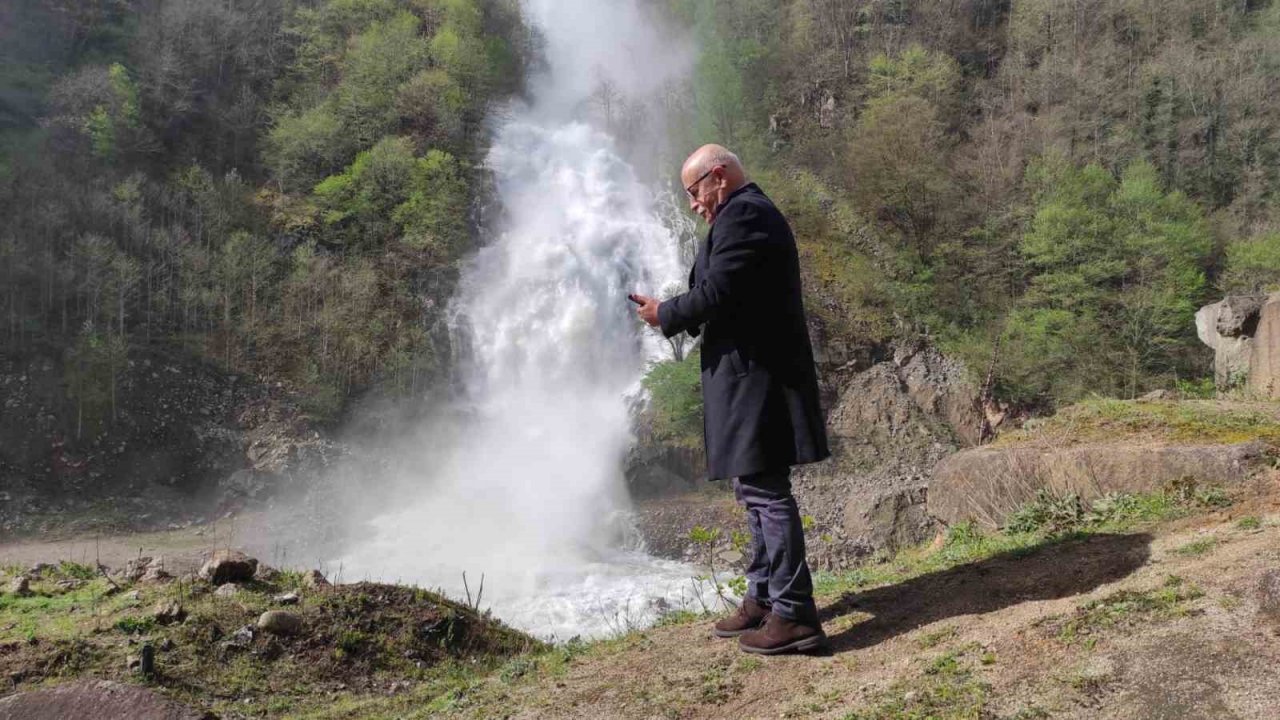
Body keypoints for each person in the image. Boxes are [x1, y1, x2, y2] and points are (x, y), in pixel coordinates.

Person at [630, 144, 831, 655]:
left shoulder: (745, 215)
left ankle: (794, 613)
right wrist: (673, 311)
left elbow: (719, 291)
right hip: (748, 379)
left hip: (757, 380)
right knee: (754, 491)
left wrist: (667, 314)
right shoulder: (745, 215)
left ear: (717, 176)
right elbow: (728, 293)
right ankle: (764, 598)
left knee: (766, 492)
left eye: (693, 193)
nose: (694, 206)